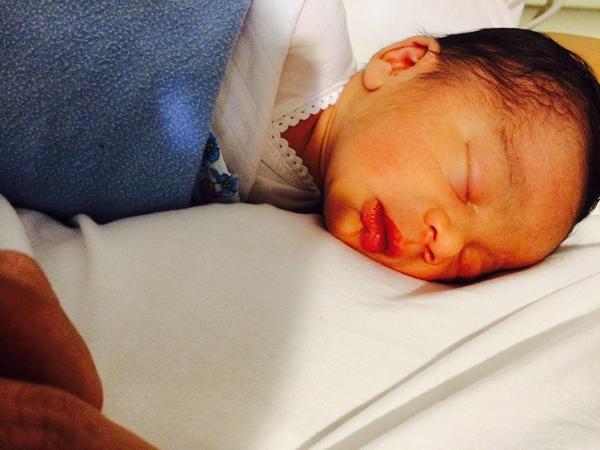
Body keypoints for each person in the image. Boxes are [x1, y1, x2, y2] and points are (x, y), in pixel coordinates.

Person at [1, 0, 599, 446]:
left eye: (471, 264)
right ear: (402, 62)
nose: (443, 244)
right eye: (468, 183)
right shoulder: (297, 30)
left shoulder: (277, 213)